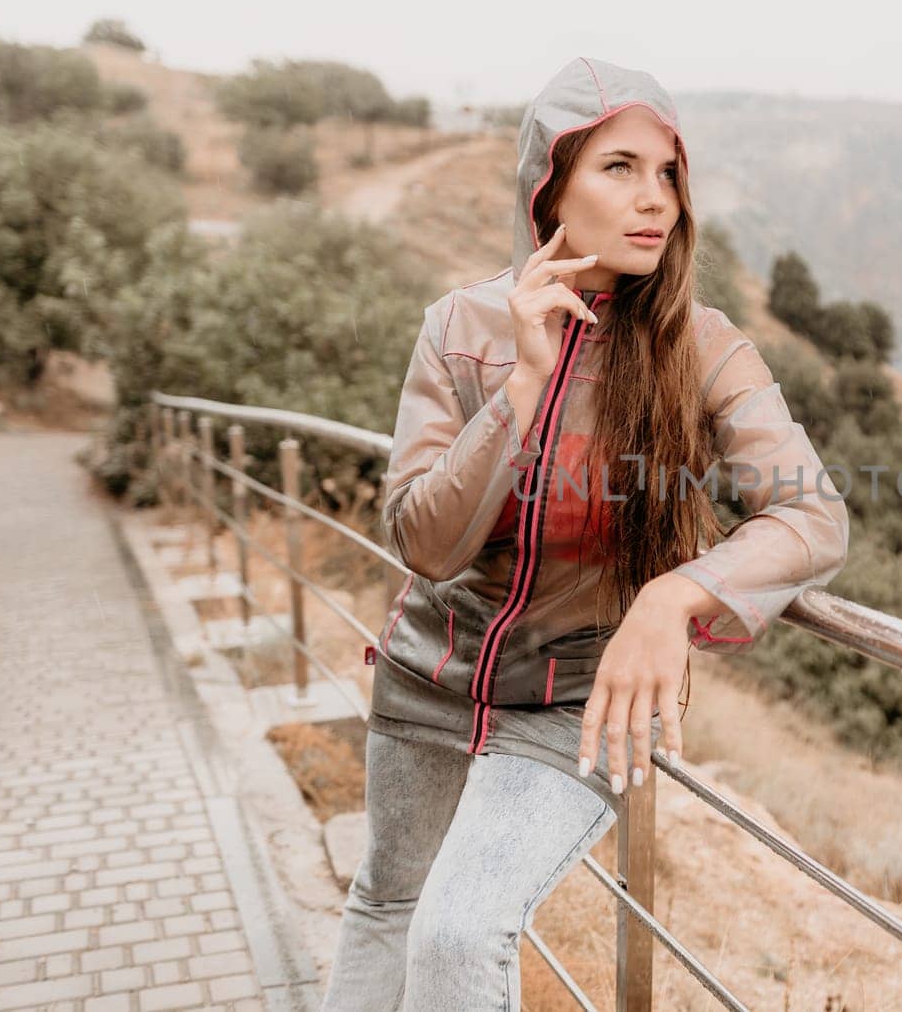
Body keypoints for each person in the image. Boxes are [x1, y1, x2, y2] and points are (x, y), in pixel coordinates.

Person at [318, 56, 852, 1010]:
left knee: (457, 931)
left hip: (578, 704)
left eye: (670, 174)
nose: (657, 201)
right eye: (620, 168)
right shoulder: (460, 326)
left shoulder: (707, 346)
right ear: (550, 186)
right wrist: (520, 389)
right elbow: (427, 543)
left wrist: (674, 595)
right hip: (423, 681)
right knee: (387, 902)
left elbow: (813, 514)